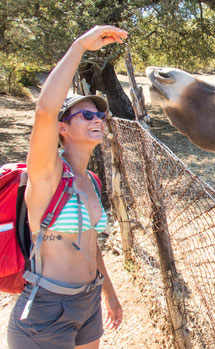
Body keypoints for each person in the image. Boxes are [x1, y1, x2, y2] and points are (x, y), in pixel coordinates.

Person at [8, 25, 128, 349]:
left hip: (88, 305)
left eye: (100, 115)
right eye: (86, 114)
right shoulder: (47, 174)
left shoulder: (91, 180)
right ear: (63, 127)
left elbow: (89, 242)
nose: (97, 119)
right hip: (46, 310)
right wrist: (79, 46)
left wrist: (110, 296)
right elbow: (44, 111)